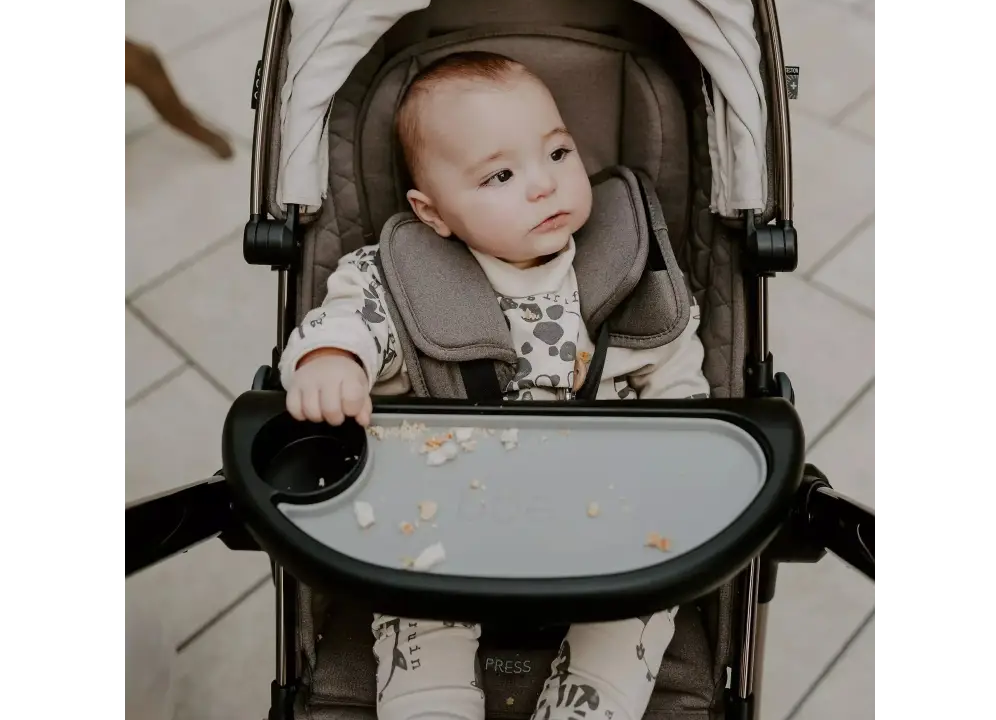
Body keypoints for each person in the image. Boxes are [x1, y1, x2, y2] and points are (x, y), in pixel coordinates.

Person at [279, 51, 710, 720]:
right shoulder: (401, 279)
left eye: (559, 153)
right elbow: (349, 320)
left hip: (606, 521)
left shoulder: (627, 268)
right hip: (443, 524)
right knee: (414, 600)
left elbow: (678, 372)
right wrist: (333, 360)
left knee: (646, 597)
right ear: (433, 213)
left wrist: (681, 454)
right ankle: (431, 699)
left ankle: (589, 698)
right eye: (501, 174)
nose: (544, 185)